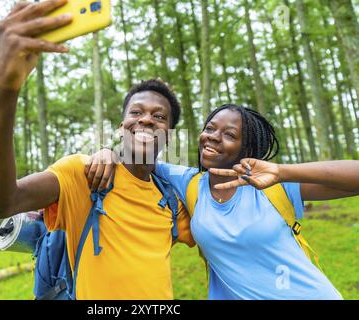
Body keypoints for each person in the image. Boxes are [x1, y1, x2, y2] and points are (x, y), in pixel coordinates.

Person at [0, 0, 194, 300]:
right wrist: (4, 91)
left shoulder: (172, 201)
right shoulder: (84, 175)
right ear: (122, 125)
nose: (146, 119)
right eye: (136, 112)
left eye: (159, 116)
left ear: (168, 135)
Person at [87, 104, 359, 299]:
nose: (213, 137)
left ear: (245, 148)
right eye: (210, 128)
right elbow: (138, 158)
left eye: (229, 134)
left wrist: (284, 171)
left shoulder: (272, 185)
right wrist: (107, 151)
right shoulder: (189, 183)